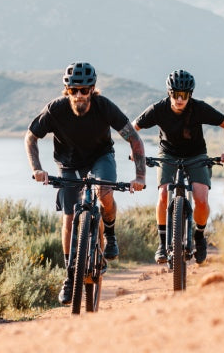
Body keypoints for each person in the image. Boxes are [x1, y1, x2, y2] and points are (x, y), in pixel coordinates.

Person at [25, 61, 146, 305]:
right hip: (68, 164)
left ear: (92, 89)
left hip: (101, 158)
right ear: (67, 90)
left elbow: (133, 138)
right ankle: (70, 277)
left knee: (104, 192)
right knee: (69, 217)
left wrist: (140, 176)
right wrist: (37, 169)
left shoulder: (104, 107)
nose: (79, 95)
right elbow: (31, 137)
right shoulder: (55, 110)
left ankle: (109, 234)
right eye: (73, 90)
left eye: (84, 90)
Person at [132, 69, 224, 265]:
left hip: (196, 155)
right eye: (175, 95)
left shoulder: (199, 108)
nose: (180, 99)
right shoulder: (158, 109)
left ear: (190, 95)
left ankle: (199, 236)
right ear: (169, 93)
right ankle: (163, 243)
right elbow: (132, 128)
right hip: (167, 154)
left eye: (184, 95)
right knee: (163, 194)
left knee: (201, 197)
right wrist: (136, 151)